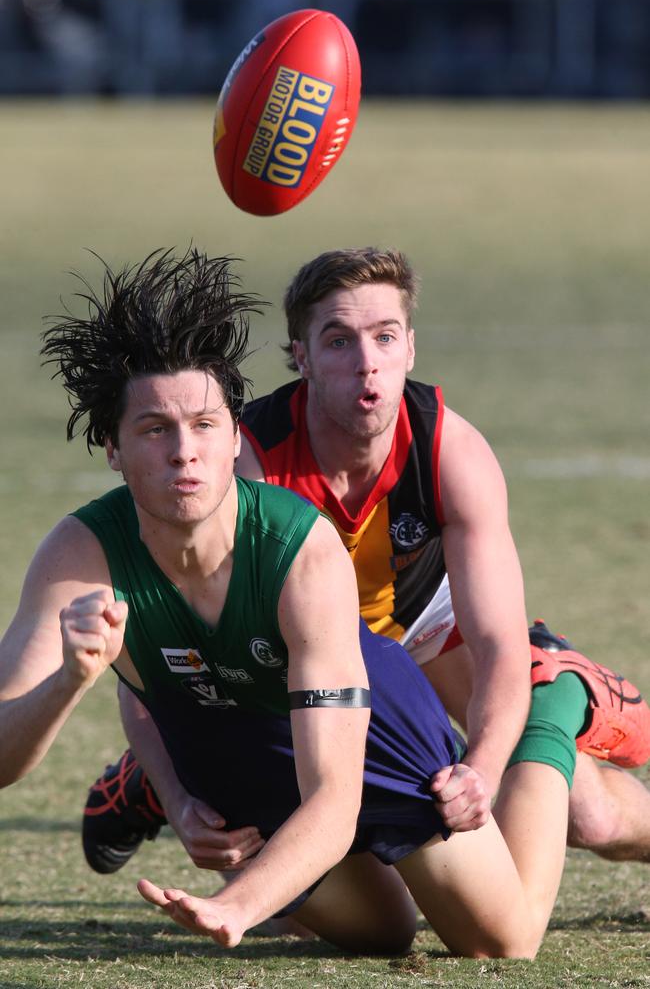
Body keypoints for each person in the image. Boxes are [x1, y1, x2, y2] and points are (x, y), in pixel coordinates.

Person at [0, 246, 576, 957]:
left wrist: (237, 907)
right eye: (155, 430)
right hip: (232, 747)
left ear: (232, 435)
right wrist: (71, 682)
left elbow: (334, 801)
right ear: (113, 447)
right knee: (383, 936)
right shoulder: (78, 553)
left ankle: (552, 715)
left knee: (500, 941)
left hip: (374, 730)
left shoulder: (297, 546)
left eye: (206, 426)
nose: (186, 452)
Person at [84, 246, 650, 879]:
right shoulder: (247, 466)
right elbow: (154, 652)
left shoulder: (451, 452)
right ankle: (151, 779)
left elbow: (497, 646)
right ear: (301, 357)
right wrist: (183, 788)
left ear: (410, 347)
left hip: (424, 632)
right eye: (337, 342)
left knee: (586, 816)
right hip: (296, 663)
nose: (366, 365)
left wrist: (482, 770)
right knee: (332, 879)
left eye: (384, 337)